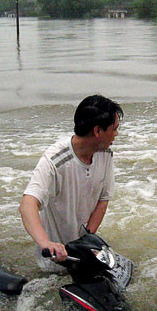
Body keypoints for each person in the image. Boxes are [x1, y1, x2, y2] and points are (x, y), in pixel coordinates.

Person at [20, 94, 123, 271]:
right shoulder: (55, 161)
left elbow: (103, 199)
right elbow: (27, 205)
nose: (116, 134)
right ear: (98, 131)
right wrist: (46, 243)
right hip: (54, 261)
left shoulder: (105, 154)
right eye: (114, 129)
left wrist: (87, 239)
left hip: (83, 254)